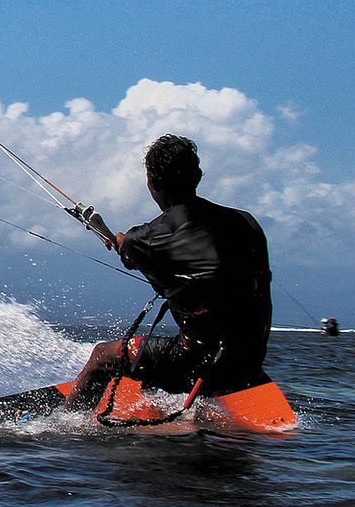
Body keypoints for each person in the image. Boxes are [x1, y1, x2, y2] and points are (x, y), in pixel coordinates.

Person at [65, 134, 273, 408]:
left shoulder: (150, 238)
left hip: (196, 366)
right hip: (248, 360)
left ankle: (69, 424)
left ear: (151, 184)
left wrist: (108, 234)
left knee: (103, 355)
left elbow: (128, 248)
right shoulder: (246, 223)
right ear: (197, 175)